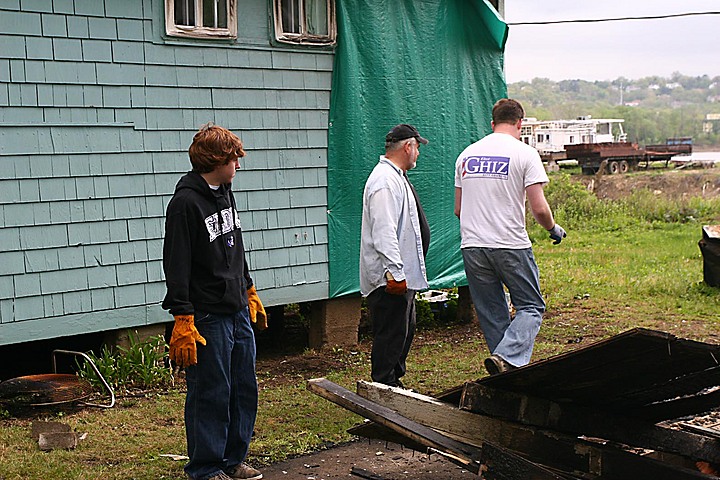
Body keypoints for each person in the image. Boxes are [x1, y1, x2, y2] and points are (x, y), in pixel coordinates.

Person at [162, 123, 267, 480]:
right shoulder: (184, 204)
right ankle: (206, 468)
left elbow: (235, 245)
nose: (239, 164)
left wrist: (248, 288)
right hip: (206, 315)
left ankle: (232, 459)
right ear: (217, 160)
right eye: (234, 158)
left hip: (236, 308)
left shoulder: (225, 191)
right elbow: (175, 263)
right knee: (211, 391)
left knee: (243, 387)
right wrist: (182, 316)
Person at [453, 99, 566, 376]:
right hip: (510, 244)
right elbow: (539, 207)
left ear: (492, 124)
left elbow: (458, 209)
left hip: (473, 245)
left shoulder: (466, 155)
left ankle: (504, 369)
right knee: (531, 306)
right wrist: (553, 229)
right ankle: (507, 357)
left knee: (492, 311)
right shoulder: (525, 154)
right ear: (520, 123)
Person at [360, 124, 431, 388]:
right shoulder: (384, 181)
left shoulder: (395, 176)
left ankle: (394, 384)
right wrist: (395, 272)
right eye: (417, 148)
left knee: (403, 331)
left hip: (402, 275)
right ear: (408, 147)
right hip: (390, 278)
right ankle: (383, 388)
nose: (418, 154)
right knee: (390, 335)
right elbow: (383, 230)